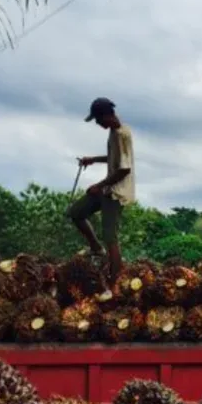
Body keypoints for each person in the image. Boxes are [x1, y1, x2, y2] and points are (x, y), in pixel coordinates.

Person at [69, 97, 135, 282]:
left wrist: (99, 185)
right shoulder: (114, 132)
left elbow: (124, 169)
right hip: (107, 189)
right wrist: (93, 159)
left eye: (98, 119)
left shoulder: (122, 135)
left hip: (117, 193)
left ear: (106, 115)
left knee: (110, 237)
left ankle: (116, 280)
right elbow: (114, 158)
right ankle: (96, 248)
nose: (97, 123)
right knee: (76, 212)